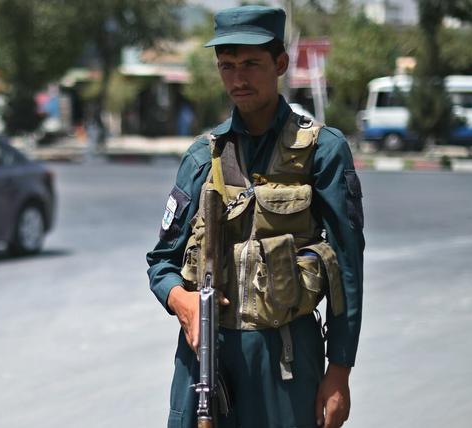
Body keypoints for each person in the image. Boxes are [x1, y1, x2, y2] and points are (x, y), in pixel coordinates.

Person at [145, 5, 364, 428]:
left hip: (284, 365)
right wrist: (183, 301)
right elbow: (162, 262)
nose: (237, 79)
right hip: (208, 362)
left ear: (280, 63)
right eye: (227, 66)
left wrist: (339, 371)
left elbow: (347, 269)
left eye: (250, 64)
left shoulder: (323, 152)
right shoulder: (200, 157)